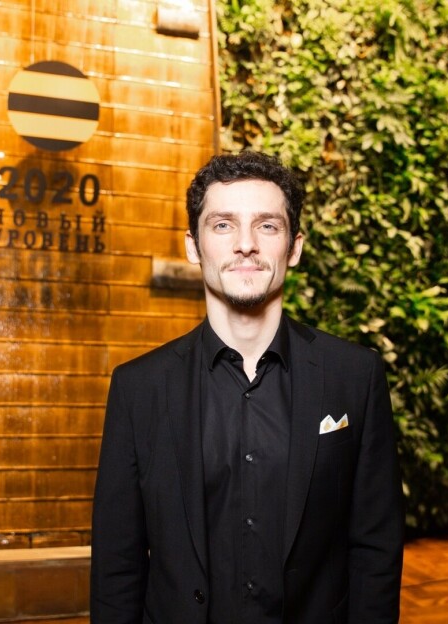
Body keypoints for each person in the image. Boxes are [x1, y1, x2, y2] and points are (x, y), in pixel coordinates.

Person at [90, 151, 404, 624]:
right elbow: (118, 561)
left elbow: (376, 546)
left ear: (294, 248)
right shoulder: (139, 388)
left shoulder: (355, 376)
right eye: (222, 225)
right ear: (194, 246)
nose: (245, 245)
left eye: (267, 226)